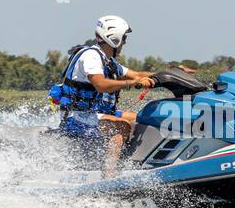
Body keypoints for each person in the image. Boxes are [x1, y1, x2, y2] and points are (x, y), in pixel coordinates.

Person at [49, 15, 158, 176]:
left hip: (93, 115)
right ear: (114, 38)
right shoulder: (91, 56)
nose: (125, 42)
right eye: (124, 38)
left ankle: (139, 164)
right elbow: (100, 85)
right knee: (122, 126)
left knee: (141, 118)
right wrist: (132, 83)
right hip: (76, 117)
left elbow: (137, 74)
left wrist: (166, 76)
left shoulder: (107, 60)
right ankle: (108, 176)